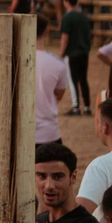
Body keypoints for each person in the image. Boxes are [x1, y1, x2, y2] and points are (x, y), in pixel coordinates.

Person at [35, 17, 69, 148]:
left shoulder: (15, 61)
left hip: (20, 131)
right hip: (48, 132)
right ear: (46, 32)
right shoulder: (58, 64)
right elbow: (59, 94)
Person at [61, 0, 94, 116]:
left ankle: (75, 106)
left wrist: (62, 52)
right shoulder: (84, 17)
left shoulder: (67, 17)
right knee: (83, 79)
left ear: (66, 2)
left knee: (72, 79)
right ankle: (87, 106)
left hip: (72, 53)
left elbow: (65, 37)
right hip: (84, 52)